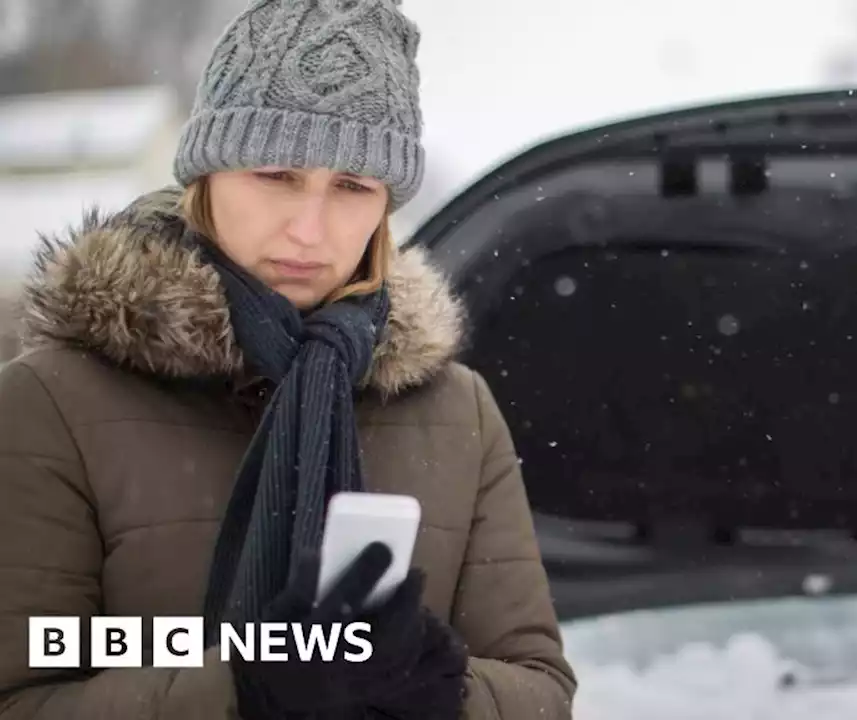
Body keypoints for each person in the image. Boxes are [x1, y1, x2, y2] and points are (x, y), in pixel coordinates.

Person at [0, 1, 576, 718]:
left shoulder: (457, 411)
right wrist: (246, 685)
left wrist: (434, 683)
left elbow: (541, 690)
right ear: (206, 175)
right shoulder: (53, 402)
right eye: (276, 174)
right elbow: (25, 688)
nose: (309, 230)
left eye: (352, 188)